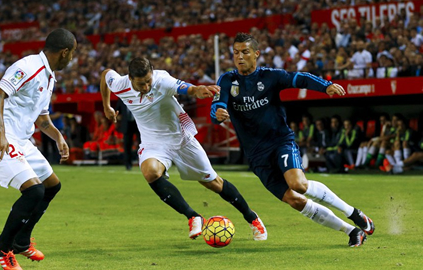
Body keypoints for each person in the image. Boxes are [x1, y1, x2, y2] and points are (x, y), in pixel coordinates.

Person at [210, 32, 375, 247]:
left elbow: (301, 78)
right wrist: (218, 113)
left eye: (245, 52)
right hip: (256, 155)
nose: (239, 57)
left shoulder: (271, 77)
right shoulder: (227, 80)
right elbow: (216, 106)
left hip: (280, 142)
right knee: (293, 200)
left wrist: (326, 86)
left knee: (299, 184)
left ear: (256, 54)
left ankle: (354, 213)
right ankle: (351, 231)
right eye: (235, 53)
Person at [100, 57, 267, 241]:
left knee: (214, 183)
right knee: (150, 173)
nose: (146, 87)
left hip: (182, 139)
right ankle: (193, 216)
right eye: (141, 84)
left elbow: (187, 88)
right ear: (130, 78)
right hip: (153, 143)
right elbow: (106, 74)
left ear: (152, 73)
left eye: (148, 81)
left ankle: (252, 218)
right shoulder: (119, 84)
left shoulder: (162, 80)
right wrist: (106, 106)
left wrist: (198, 90)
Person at [0, 28, 76, 270]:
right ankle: (2, 247)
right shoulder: (29, 66)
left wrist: (58, 136)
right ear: (64, 52)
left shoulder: (49, 76)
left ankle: (21, 241)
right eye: (72, 53)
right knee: (34, 191)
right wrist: (0, 134)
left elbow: (41, 119)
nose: (72, 58)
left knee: (52, 186)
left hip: (19, 139)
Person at [116, 98, 140, 170]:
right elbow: (117, 110)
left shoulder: (138, 97)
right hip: (127, 124)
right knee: (127, 145)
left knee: (142, 144)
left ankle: (143, 162)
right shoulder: (122, 98)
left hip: (138, 124)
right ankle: (128, 164)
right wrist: (118, 117)